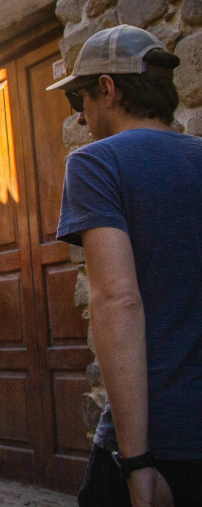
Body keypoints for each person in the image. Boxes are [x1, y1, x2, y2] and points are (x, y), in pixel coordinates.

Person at [47, 25, 202, 507]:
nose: (80, 118)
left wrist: (136, 462)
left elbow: (118, 299)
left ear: (108, 90)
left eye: (80, 100)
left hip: (161, 433)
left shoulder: (97, 164)